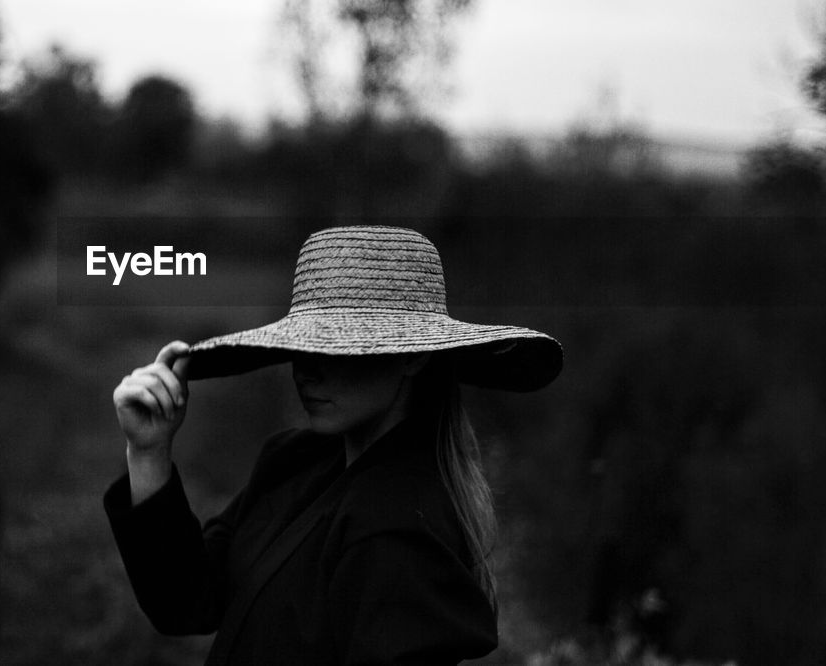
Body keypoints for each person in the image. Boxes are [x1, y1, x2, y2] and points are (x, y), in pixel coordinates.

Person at [104, 225, 562, 665]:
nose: (307, 370)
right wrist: (148, 451)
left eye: (338, 348)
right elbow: (186, 602)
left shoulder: (400, 524)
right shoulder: (293, 463)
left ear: (415, 356)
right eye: (303, 346)